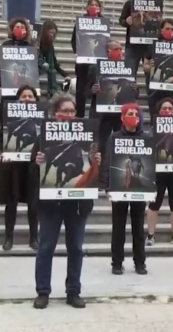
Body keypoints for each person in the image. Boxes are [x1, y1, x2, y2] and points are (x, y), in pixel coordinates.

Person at [32, 94, 101, 309]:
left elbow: (93, 172)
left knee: (76, 248)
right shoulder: (43, 137)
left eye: (73, 111)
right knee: (46, 247)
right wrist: (37, 162)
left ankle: (73, 291)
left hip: (77, 202)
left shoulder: (86, 137)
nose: (70, 114)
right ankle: (43, 292)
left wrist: (96, 162)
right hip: (51, 203)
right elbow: (32, 173)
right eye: (66, 111)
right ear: (55, 114)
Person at [101, 103, 148, 275]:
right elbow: (107, 162)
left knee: (138, 227)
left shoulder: (146, 138)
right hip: (119, 187)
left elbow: (150, 164)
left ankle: (140, 263)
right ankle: (117, 262)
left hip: (139, 189)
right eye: (130, 113)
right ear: (122, 117)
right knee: (118, 227)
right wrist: (107, 186)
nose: (133, 115)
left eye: (136, 113)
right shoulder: (114, 138)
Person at [0, 85, 40, 251]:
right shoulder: (8, 117)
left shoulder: (41, 117)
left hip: (33, 165)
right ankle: (9, 237)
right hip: (13, 164)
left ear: (36, 100)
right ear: (17, 99)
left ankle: (34, 238)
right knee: (12, 201)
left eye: (30, 96)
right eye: (23, 96)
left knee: (33, 203)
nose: (27, 99)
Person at [146, 98, 173, 247]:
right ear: (158, 112)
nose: (167, 111)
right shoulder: (152, 129)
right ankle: (150, 235)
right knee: (154, 203)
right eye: (164, 108)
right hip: (158, 172)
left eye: (170, 109)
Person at [88, 40, 140, 158]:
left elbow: (135, 95)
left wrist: (135, 88)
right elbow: (85, 92)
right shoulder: (95, 68)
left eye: (121, 49)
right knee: (101, 145)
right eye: (116, 49)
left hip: (120, 115)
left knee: (121, 145)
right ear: (108, 52)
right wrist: (92, 90)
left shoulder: (128, 67)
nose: (120, 52)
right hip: (102, 115)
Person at [143, 19, 173, 122]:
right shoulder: (152, 46)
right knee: (155, 117)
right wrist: (149, 67)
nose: (170, 31)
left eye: (172, 29)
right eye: (167, 28)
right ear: (161, 30)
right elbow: (145, 66)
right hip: (156, 89)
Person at [71, 0, 105, 118]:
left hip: (97, 62)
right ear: (87, 7)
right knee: (80, 91)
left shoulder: (103, 22)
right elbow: (74, 40)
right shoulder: (81, 21)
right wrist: (78, 52)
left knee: (97, 89)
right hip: (83, 62)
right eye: (91, 5)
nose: (94, 7)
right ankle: (79, 116)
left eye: (96, 5)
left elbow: (106, 42)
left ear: (100, 8)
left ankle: (94, 118)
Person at [119, 0, 154, 82]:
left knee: (151, 74)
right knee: (129, 73)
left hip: (149, 46)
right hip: (132, 45)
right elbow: (121, 20)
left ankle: (151, 94)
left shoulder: (155, 5)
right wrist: (127, 22)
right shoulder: (129, 3)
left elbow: (157, 24)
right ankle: (129, 93)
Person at [38, 20, 70, 97]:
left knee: (51, 67)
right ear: (45, 33)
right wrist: (43, 63)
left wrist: (65, 74)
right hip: (35, 64)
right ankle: (52, 90)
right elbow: (37, 57)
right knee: (48, 66)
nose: (52, 35)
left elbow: (54, 62)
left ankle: (53, 91)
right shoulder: (37, 42)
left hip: (45, 66)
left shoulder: (49, 45)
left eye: (54, 33)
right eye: (50, 33)